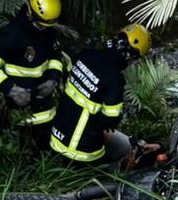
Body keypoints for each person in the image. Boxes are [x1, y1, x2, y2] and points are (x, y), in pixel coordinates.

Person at [49, 23, 154, 167]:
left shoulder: (86, 54)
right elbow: (110, 120)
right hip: (81, 154)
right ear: (131, 55)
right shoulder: (114, 78)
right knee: (130, 160)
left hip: (56, 137)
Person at [0, 0, 65, 148]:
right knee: (22, 150)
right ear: (29, 12)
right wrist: (10, 89)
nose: (44, 29)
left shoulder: (49, 32)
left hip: (45, 105)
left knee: (45, 150)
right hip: (19, 108)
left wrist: (53, 79)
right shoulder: (12, 35)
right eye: (40, 25)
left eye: (47, 26)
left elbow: (56, 56)